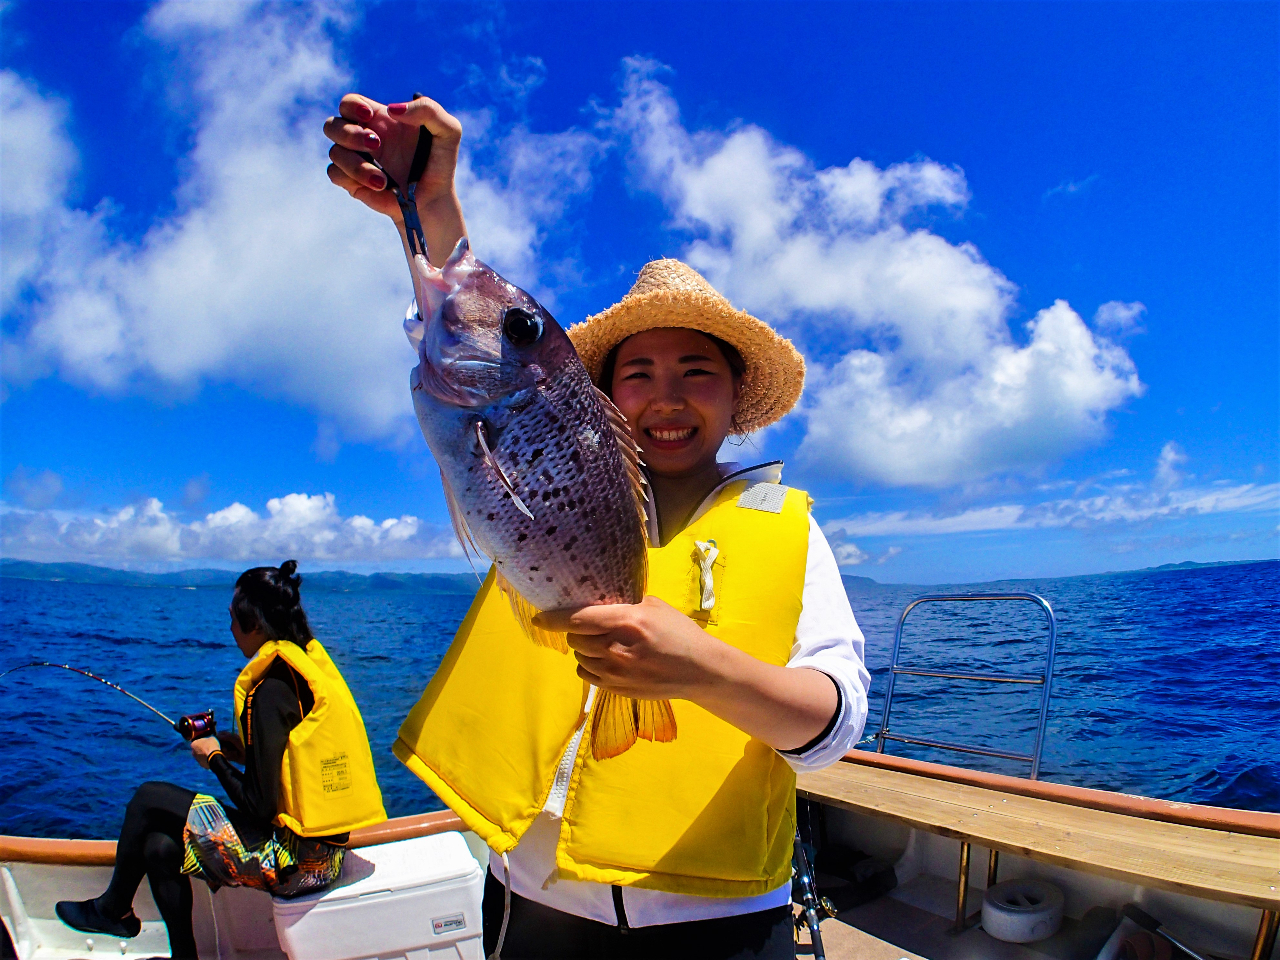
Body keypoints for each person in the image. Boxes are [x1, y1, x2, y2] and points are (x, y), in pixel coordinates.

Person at [325, 95, 870, 960]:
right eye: (638, 371)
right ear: (599, 399)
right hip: (532, 894)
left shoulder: (790, 530)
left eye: (698, 371)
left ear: (736, 403)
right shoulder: (555, 466)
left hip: (720, 916)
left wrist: (701, 668)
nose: (666, 393)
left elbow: (835, 727)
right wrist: (426, 206)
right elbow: (472, 337)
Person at [55, 561, 386, 959]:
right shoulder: (301, 671)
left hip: (295, 865)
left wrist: (213, 758)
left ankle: (112, 909)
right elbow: (288, 764)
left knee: (148, 798)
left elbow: (260, 806)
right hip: (324, 856)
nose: (230, 629)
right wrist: (236, 750)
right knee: (161, 846)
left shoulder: (268, 689)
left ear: (256, 625)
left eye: (233, 619)